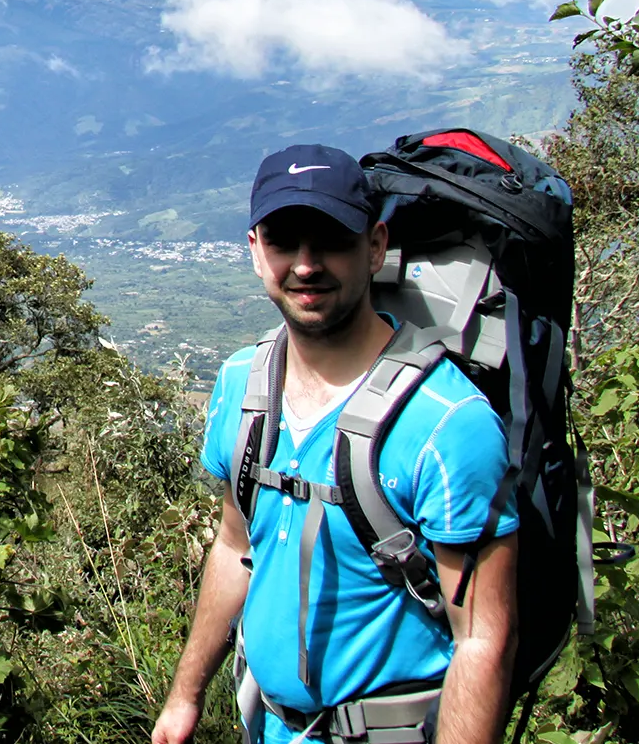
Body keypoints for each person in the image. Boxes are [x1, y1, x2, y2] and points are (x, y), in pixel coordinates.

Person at [150, 145, 518, 744]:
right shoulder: (241, 387)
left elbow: (484, 638)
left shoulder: (446, 424)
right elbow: (234, 547)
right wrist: (185, 697)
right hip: (266, 727)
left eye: (331, 239)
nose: (306, 264)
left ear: (375, 246)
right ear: (254, 251)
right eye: (283, 241)